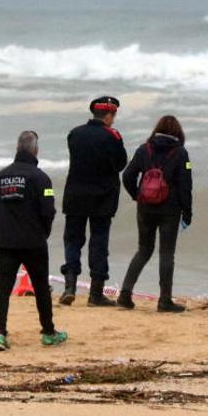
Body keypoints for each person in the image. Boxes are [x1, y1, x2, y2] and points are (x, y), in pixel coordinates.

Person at [0, 131, 67, 351]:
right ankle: (48, 332)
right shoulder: (42, 178)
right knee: (41, 288)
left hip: (5, 243)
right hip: (33, 242)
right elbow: (48, 210)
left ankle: (0, 334)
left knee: (3, 288)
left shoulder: (0, 178)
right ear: (35, 150)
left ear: (17, 149)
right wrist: (43, 233)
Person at [118, 115, 193, 312]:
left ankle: (125, 294)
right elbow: (186, 186)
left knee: (143, 250)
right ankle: (164, 300)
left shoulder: (144, 149)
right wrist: (188, 212)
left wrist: (136, 195)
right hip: (170, 209)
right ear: (178, 132)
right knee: (166, 253)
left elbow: (127, 175)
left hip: (145, 208)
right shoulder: (180, 153)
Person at [59, 96, 128, 307]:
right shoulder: (112, 136)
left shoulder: (75, 134)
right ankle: (95, 294)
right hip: (102, 197)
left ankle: (69, 287)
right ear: (109, 115)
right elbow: (121, 163)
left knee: (73, 241)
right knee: (98, 243)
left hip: (75, 196)